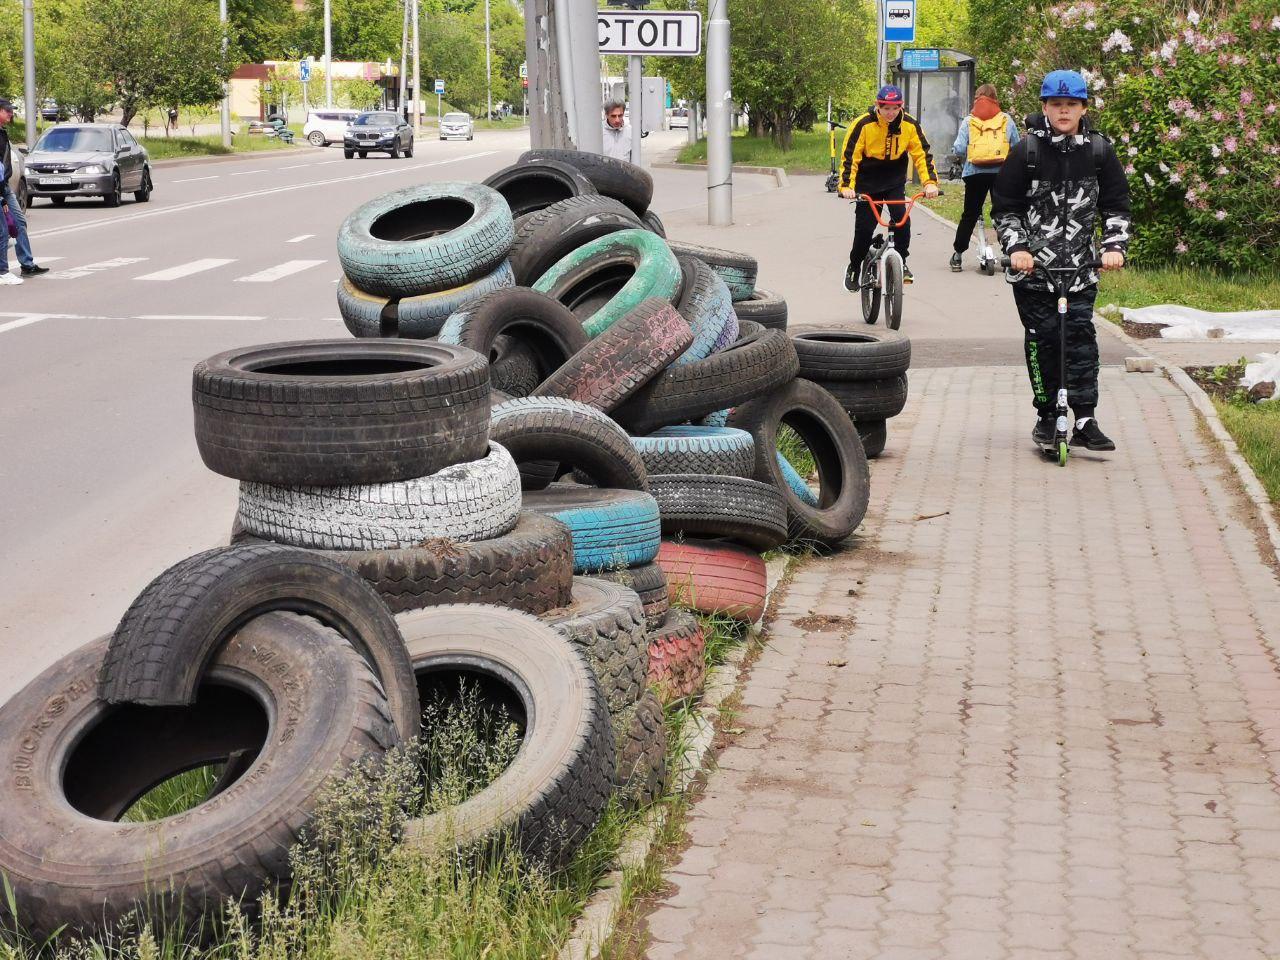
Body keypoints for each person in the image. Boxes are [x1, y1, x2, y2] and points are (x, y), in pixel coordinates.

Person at [992, 69, 1131, 452]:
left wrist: (1114, 247)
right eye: (1057, 104)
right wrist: (1017, 249)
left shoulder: (1100, 151)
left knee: (1081, 339)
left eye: (1072, 104)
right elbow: (1006, 209)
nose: (1064, 111)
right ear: (1045, 107)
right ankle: (1048, 416)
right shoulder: (1027, 151)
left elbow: (1116, 206)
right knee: (1046, 341)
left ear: (1084, 107)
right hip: (1035, 273)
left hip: (1081, 271)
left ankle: (1085, 418)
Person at [838, 84, 940, 289]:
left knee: (902, 219)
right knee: (865, 229)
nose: (890, 113)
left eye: (895, 108)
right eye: (886, 108)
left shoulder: (909, 125)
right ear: (878, 106)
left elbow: (922, 155)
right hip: (868, 180)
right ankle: (855, 265)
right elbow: (851, 156)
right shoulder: (863, 124)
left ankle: (901, 261)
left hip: (894, 178)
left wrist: (930, 184)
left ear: (901, 106)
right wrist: (847, 186)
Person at [949, 83, 1020, 271]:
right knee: (1003, 213)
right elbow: (1017, 145)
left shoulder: (969, 121)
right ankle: (1007, 253)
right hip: (1001, 174)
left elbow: (959, 148)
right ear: (995, 99)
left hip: (974, 173)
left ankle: (958, 255)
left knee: (970, 214)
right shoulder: (1006, 119)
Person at [0, 99, 47, 286]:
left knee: (18, 222)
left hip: (5, 187)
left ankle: (27, 264)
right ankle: (3, 271)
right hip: (1, 188)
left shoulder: (2, 132)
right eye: (7, 110)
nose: (11, 114)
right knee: (3, 231)